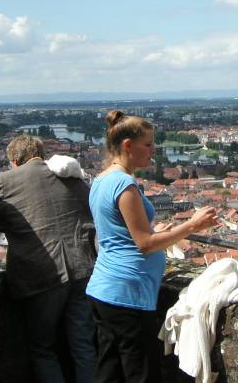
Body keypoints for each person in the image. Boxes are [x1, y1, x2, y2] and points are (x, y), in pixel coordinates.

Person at [86, 111, 218, 383]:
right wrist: (192, 225)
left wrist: (157, 232)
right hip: (127, 292)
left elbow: (120, 233)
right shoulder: (124, 185)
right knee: (140, 372)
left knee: (109, 370)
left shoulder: (100, 180)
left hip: (104, 288)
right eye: (147, 144)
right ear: (127, 145)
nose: (153, 150)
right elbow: (144, 245)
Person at [0, 135, 96, 383]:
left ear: (14, 161)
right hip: (83, 267)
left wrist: (16, 229)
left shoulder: (6, 180)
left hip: (42, 273)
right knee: (83, 344)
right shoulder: (72, 177)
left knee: (43, 348)